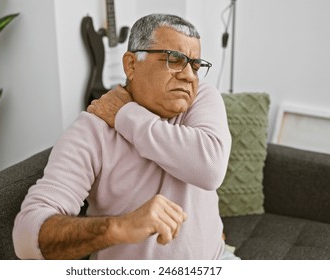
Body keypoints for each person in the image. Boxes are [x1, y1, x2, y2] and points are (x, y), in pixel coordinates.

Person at [13, 13, 232, 260]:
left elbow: (210, 168)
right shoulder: (92, 130)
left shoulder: (202, 98)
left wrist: (126, 115)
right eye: (174, 59)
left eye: (194, 65)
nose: (190, 76)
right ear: (131, 64)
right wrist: (120, 227)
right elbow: (26, 237)